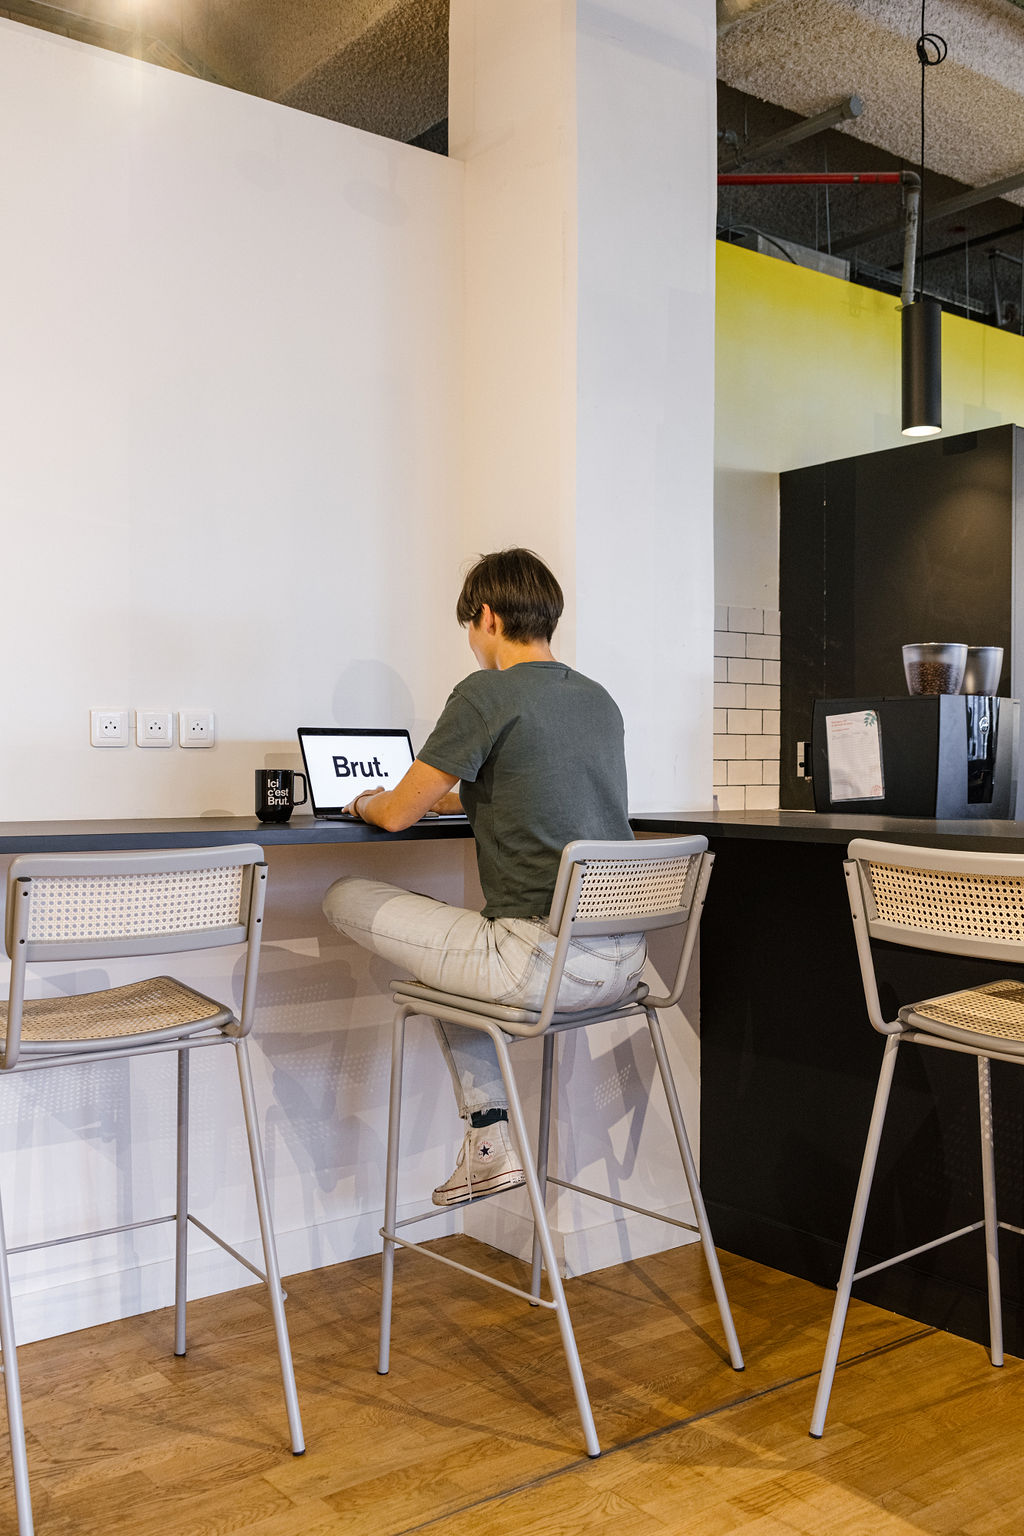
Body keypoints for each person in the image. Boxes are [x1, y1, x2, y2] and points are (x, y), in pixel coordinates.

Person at [322, 548, 645, 1205]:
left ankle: (490, 1140)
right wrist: (447, 797)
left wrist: (360, 799)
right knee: (446, 952)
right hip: (622, 964)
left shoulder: (487, 692)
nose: (471, 643)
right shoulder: (597, 700)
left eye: (470, 628)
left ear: (489, 618)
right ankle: (487, 1141)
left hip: (538, 965)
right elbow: (524, 787)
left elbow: (394, 815)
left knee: (342, 894)